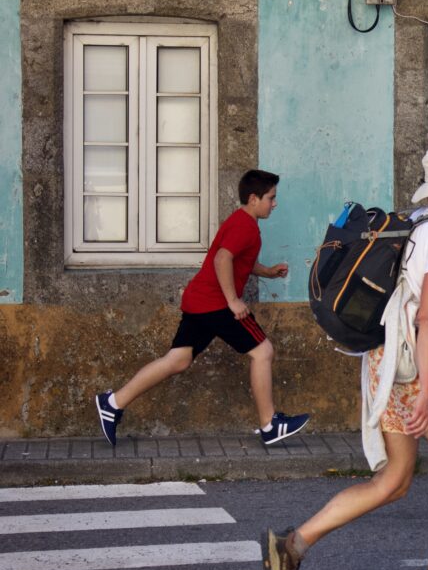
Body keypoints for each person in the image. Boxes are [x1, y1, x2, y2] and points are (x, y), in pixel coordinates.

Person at [261, 138, 428, 570]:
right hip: (416, 365)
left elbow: (411, 304)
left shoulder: (415, 223)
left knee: (394, 479)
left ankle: (292, 545)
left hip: (384, 360)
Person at [94, 169, 310, 448]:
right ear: (254, 198)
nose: (274, 203)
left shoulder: (241, 222)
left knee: (178, 360)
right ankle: (270, 424)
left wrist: (267, 272)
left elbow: (237, 260)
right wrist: (233, 300)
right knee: (263, 351)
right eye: (271, 198)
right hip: (215, 303)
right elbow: (222, 259)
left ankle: (112, 403)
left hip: (200, 300)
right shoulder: (244, 225)